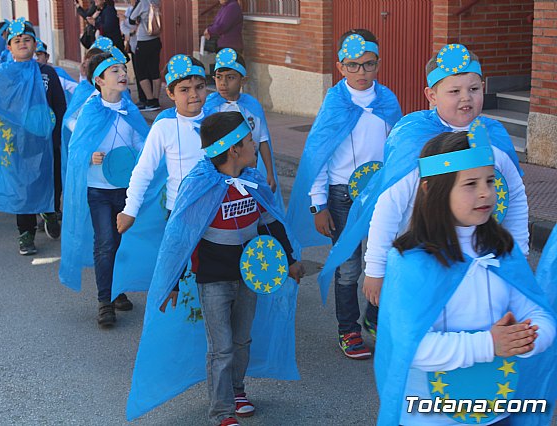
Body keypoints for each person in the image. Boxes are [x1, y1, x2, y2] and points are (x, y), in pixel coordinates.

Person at [318, 44, 529, 325]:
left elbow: (515, 198)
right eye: (454, 91)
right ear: (431, 95)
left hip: (479, 255)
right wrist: (376, 269)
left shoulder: (494, 137)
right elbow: (389, 206)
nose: (466, 98)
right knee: (419, 329)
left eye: (474, 89)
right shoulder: (415, 138)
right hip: (421, 257)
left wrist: (520, 256)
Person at [125, 111, 304, 426]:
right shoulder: (200, 184)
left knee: (241, 341)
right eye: (250, 140)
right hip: (214, 280)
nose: (255, 145)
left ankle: (237, 391)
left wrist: (288, 260)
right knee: (220, 347)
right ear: (234, 148)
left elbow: (270, 221)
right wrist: (174, 283)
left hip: (251, 276)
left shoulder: (252, 179)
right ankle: (221, 412)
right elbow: (181, 237)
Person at [375, 128, 557, 425]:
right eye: (470, 184)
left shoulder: (501, 250)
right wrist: (489, 345)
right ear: (431, 189)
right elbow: (411, 346)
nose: (486, 192)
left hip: (497, 410)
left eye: (490, 181)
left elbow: (539, 313)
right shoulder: (411, 261)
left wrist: (526, 339)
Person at [285, 30, 402, 359]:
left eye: (368, 65)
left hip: (381, 194)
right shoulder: (334, 104)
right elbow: (319, 155)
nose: (361, 73)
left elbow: (399, 149)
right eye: (353, 65)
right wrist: (317, 204)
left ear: (378, 64)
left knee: (386, 260)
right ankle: (348, 329)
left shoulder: (387, 102)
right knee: (348, 266)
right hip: (341, 196)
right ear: (340, 67)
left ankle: (375, 317)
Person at [59, 49, 148, 327]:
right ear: (99, 80)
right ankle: (104, 301)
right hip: (97, 189)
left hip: (125, 189)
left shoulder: (129, 110)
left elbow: (141, 143)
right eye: (115, 71)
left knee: (122, 241)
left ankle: (118, 289)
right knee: (105, 241)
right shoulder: (90, 109)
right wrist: (89, 156)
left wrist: (144, 158)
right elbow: (76, 150)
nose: (123, 74)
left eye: (124, 69)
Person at [0, 18, 66, 255]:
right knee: (23, 186)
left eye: (27, 39)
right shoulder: (5, 75)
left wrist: (58, 134)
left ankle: (50, 210)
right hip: (20, 143)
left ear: (35, 43)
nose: (22, 43)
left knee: (52, 179)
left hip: (48, 142)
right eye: (17, 40)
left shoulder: (47, 72)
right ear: (8, 46)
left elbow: (59, 106)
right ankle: (26, 232)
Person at [116, 54, 207, 233]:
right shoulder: (165, 126)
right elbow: (144, 169)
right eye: (184, 90)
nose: (194, 95)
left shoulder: (216, 121)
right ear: (170, 93)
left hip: (215, 206)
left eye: (200, 87)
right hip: (180, 209)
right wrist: (130, 210)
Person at [204, 48, 283, 211]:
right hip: (221, 176)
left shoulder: (252, 106)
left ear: (243, 80)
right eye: (219, 77)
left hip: (250, 173)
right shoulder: (209, 109)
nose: (223, 83)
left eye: (230, 78)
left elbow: (262, 141)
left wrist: (269, 173)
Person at [130, 0, 161, 111]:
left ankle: (150, 100)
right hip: (156, 40)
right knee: (155, 71)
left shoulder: (143, 2)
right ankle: (156, 100)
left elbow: (131, 18)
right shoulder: (157, 1)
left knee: (141, 72)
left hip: (144, 41)